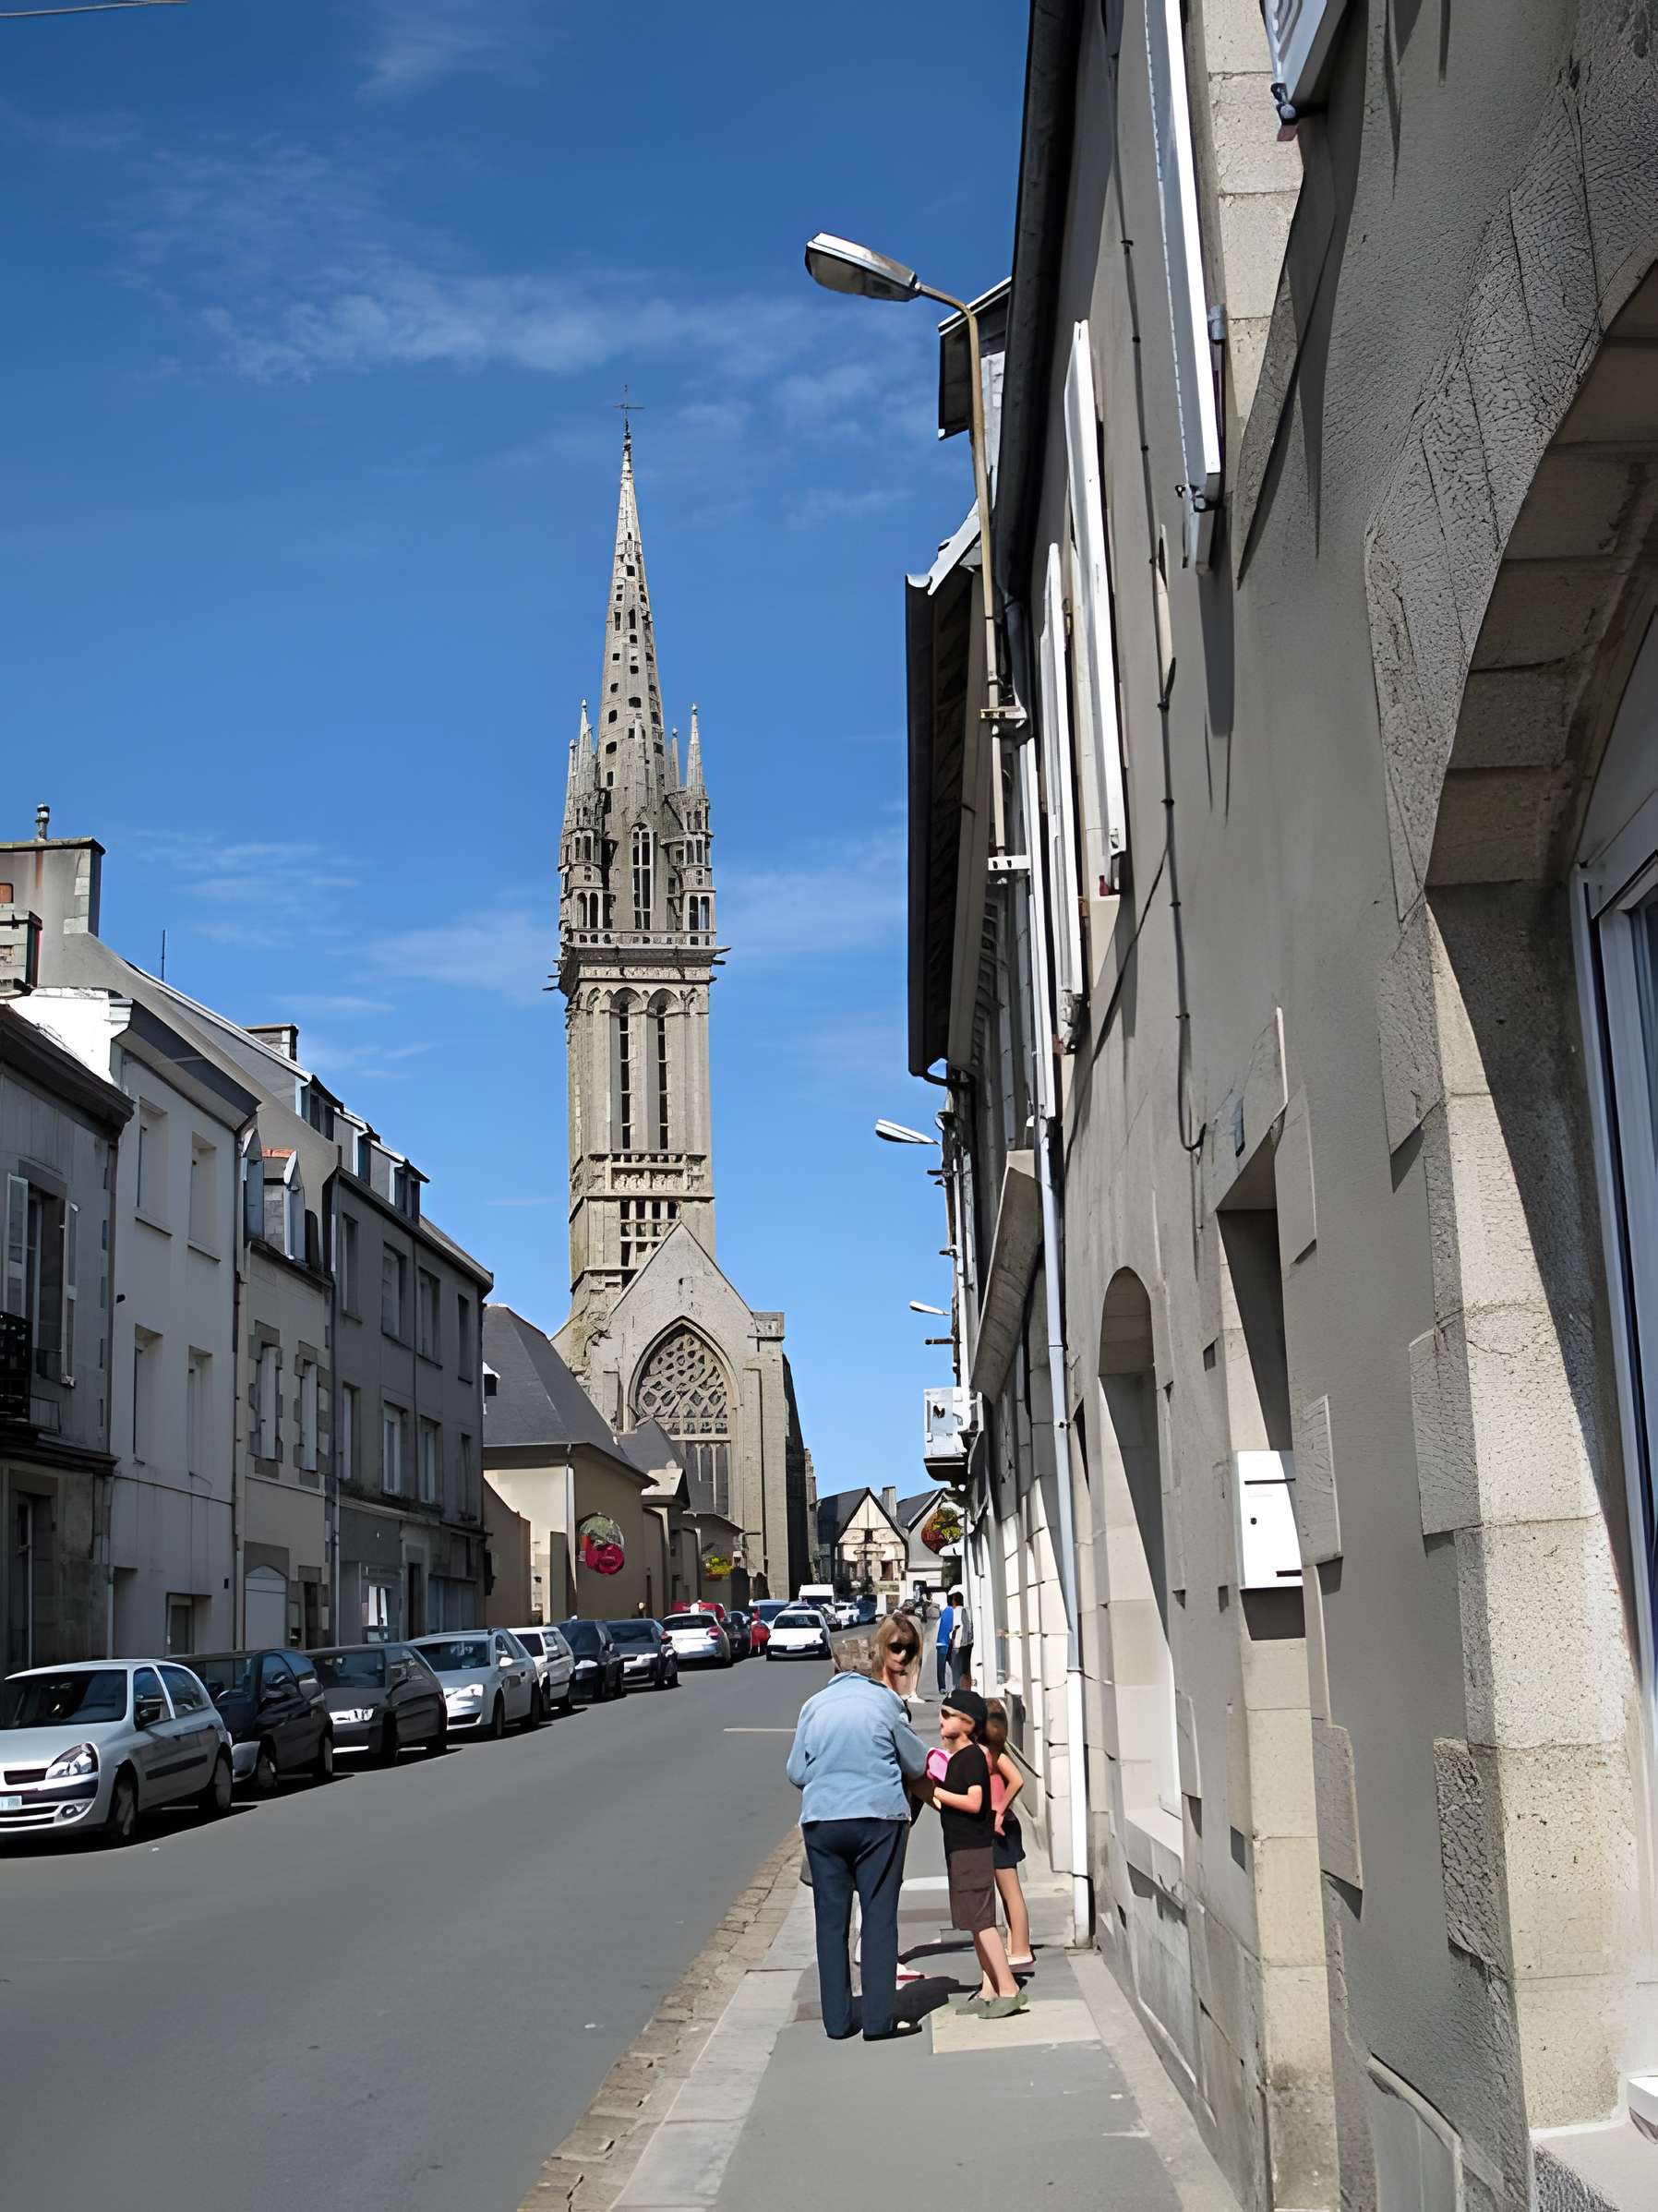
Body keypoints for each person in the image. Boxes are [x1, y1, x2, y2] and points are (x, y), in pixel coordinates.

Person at [787, 1611, 930, 2041]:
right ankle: (879, 2020)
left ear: (833, 1670)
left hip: (823, 1821)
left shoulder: (813, 1707)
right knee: (879, 1916)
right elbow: (918, 1762)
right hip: (878, 1819)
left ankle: (837, 2020)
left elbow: (796, 1771)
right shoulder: (884, 1704)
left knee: (831, 1922)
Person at [933, 1687, 1027, 2018]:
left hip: (973, 1849)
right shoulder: (960, 1759)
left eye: (947, 1714)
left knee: (983, 1923)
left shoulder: (972, 1757)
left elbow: (974, 1802)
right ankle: (988, 1990)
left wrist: (937, 1790)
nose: (940, 1719)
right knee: (975, 1922)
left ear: (968, 1723)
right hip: (960, 1848)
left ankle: (1008, 1988)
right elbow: (945, 1801)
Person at [983, 1698, 1034, 1972]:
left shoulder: (996, 1753)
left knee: (1011, 1891)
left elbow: (1017, 1779)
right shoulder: (991, 1751)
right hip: (997, 1827)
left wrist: (1000, 1811)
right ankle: (1016, 1943)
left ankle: (1021, 1948)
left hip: (1001, 1829)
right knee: (1006, 1892)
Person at [948, 1587, 974, 1689]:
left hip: (958, 1645)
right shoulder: (966, 1611)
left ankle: (957, 1690)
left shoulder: (956, 1612)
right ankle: (965, 1689)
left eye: (953, 1600)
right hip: (967, 1644)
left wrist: (952, 1641)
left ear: (955, 1601)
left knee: (956, 1670)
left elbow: (955, 1627)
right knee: (965, 1669)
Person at [935, 1591, 955, 1696]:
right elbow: (951, 1627)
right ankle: (952, 1686)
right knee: (951, 1665)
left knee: (941, 1667)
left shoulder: (941, 1612)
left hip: (940, 1643)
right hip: (949, 1642)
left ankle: (942, 1687)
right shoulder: (952, 1611)